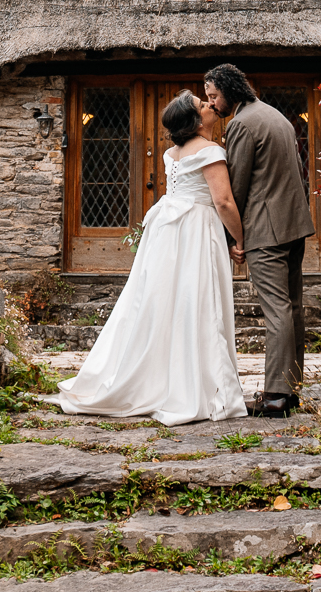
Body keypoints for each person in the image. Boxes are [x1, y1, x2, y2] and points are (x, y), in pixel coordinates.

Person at [44, 90, 247, 425]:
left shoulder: (172, 153)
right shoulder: (211, 151)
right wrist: (240, 239)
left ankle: (160, 377)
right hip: (196, 230)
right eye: (202, 104)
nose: (210, 104)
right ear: (195, 121)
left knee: (162, 302)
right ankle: (194, 384)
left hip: (168, 230)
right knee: (196, 302)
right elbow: (223, 202)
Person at [204, 63, 316, 419]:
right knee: (293, 307)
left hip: (266, 231)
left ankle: (276, 396)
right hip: (294, 224)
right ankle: (291, 389)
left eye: (214, 96)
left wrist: (232, 237)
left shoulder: (241, 124)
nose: (212, 104)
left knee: (276, 309)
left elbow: (234, 188)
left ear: (229, 91)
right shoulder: (275, 115)